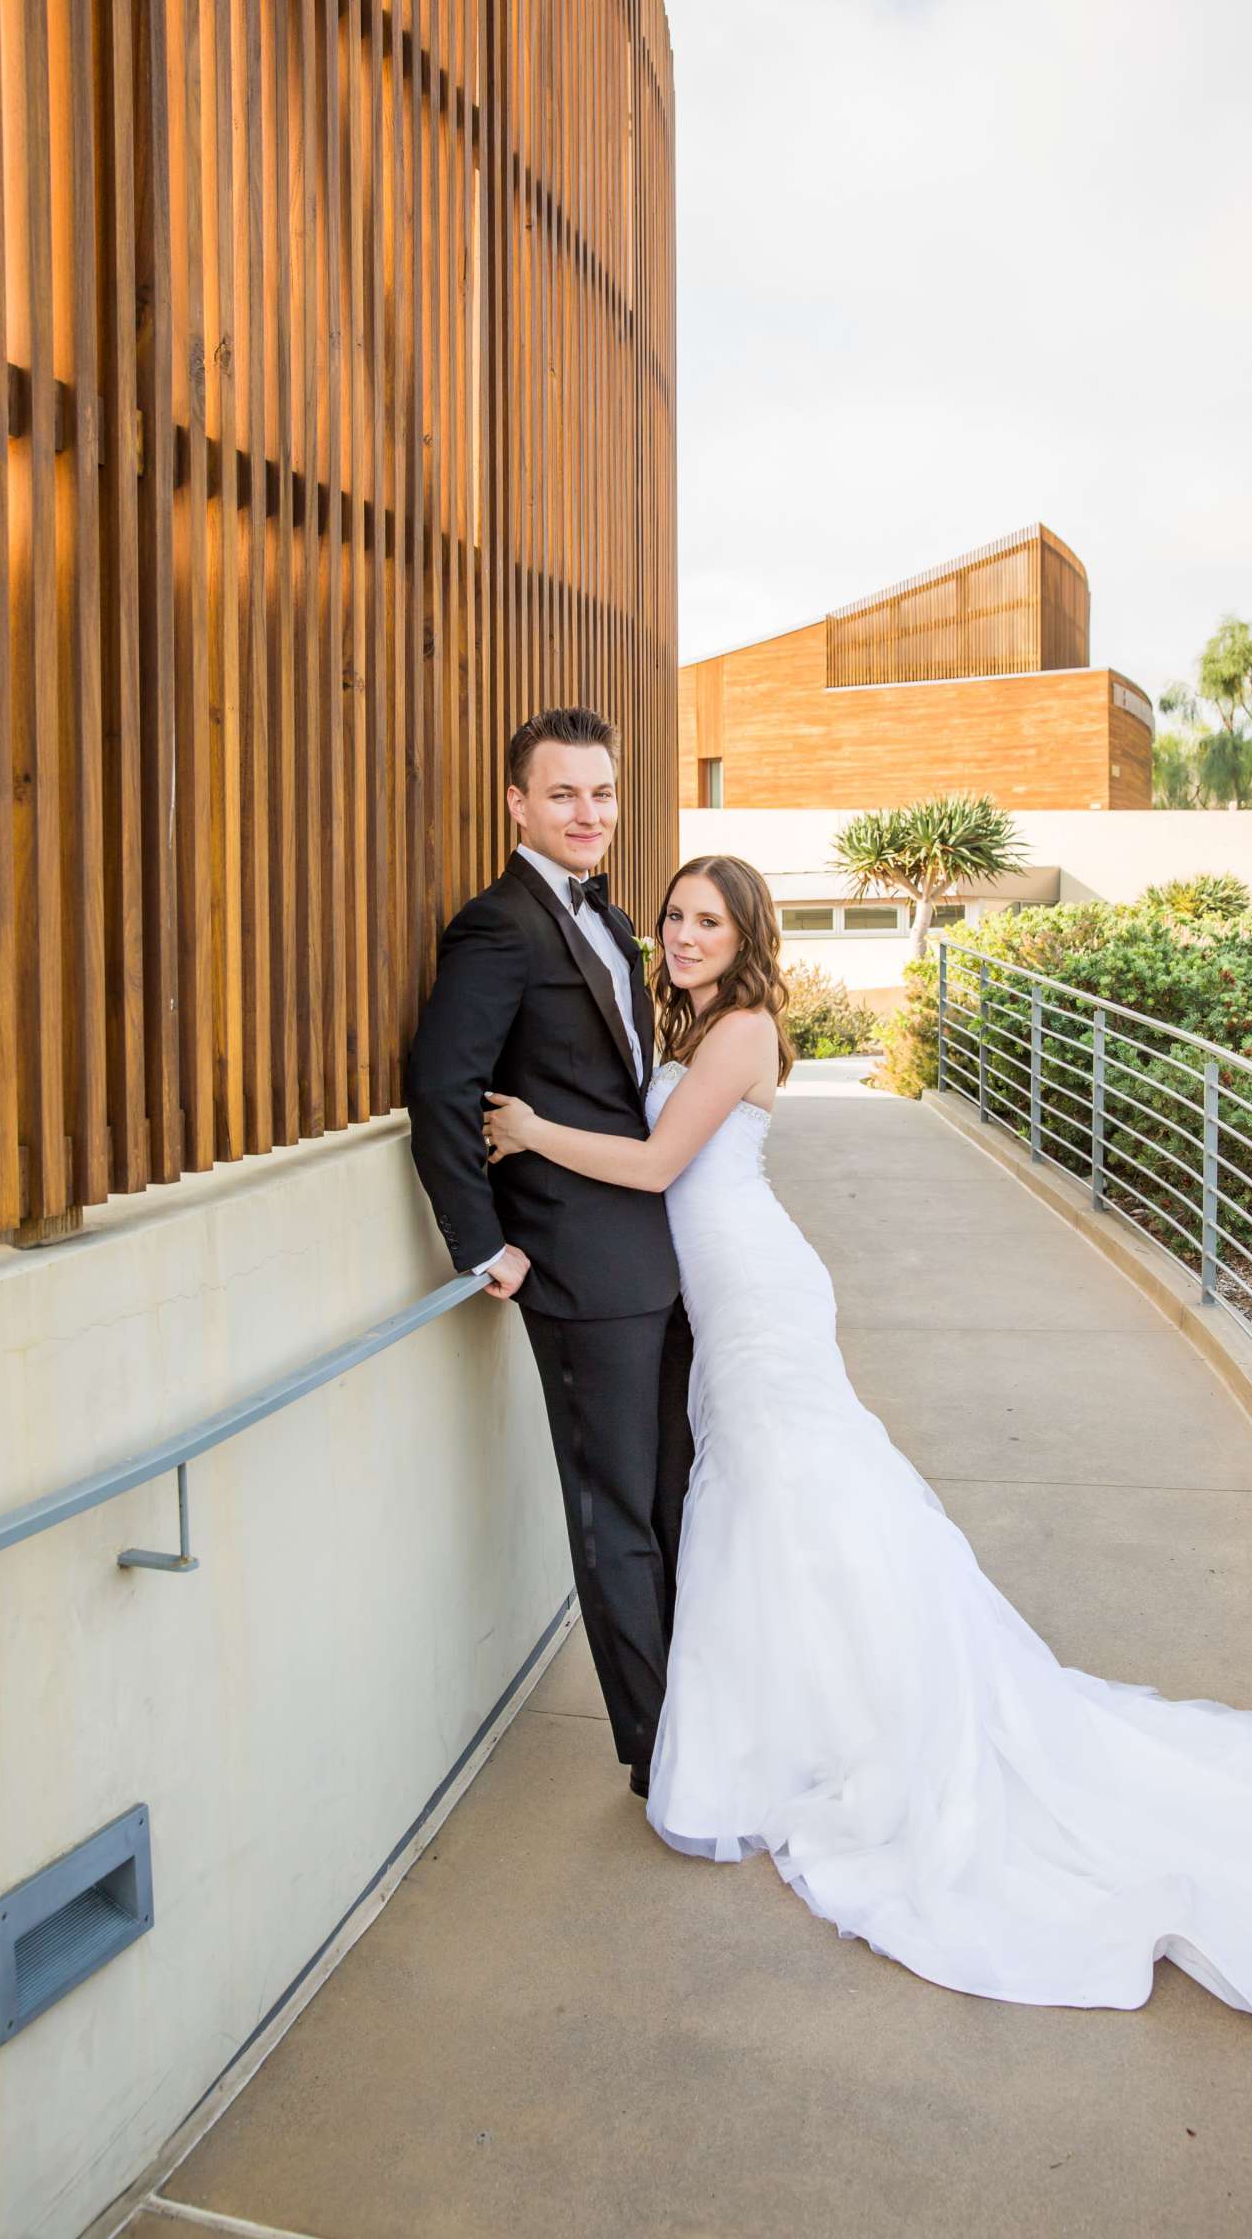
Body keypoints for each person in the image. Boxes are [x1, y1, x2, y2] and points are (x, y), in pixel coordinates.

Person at [480, 851, 1252, 2026]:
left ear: (747, 936)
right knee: (770, 1507)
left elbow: (653, 1162)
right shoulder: (688, 1020)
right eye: (675, 917)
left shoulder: (735, 1031)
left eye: (708, 923)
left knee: (803, 1496)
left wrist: (528, 1130)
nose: (683, 936)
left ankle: (861, 1724)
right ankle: (812, 1716)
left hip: (760, 1296)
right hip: (722, 1301)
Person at [406, 708, 693, 1801]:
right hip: (574, 1269)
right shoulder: (497, 928)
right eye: (563, 793)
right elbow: (442, 1089)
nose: (588, 814)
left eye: (603, 793)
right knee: (614, 1516)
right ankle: (662, 1755)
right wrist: (487, 1248)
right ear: (517, 802)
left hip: (656, 1259)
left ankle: (698, 1711)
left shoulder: (614, 922)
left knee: (674, 1500)